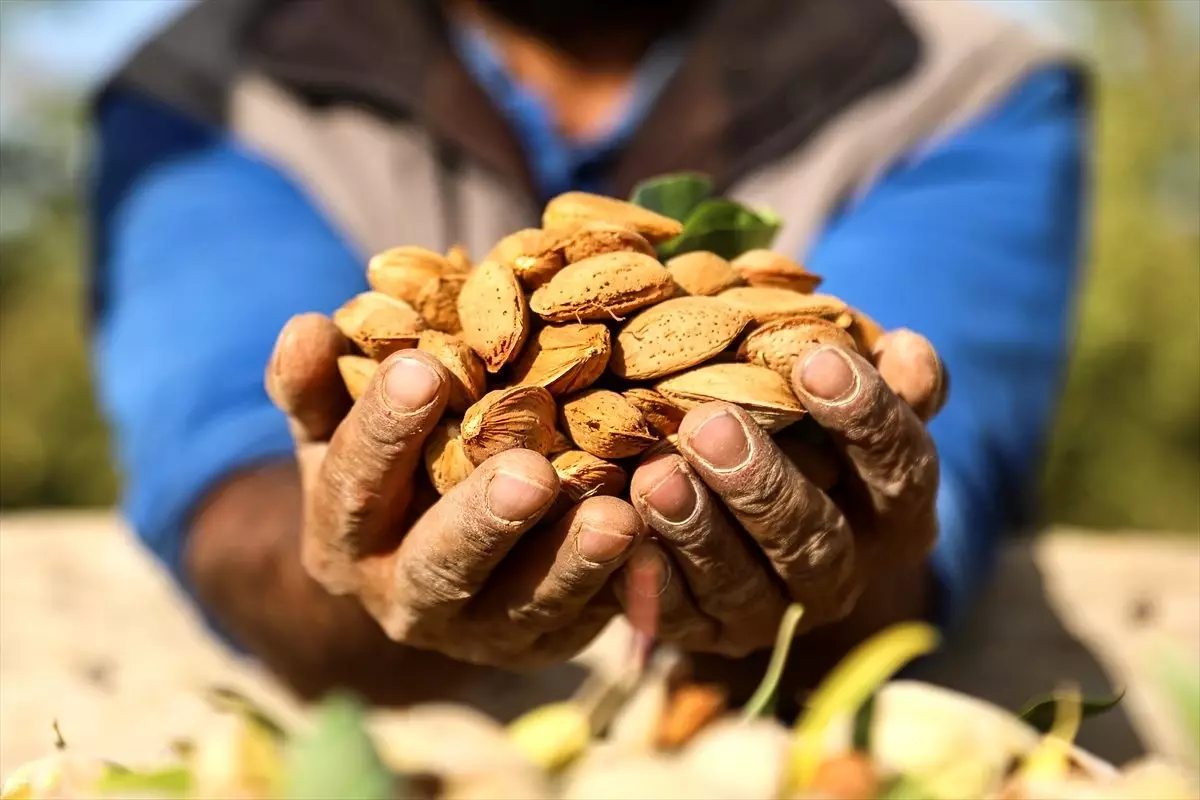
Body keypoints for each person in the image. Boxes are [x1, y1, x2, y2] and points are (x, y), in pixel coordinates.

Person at [87, 0, 1087, 718]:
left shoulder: (960, 85)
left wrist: (844, 566)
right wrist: (352, 559)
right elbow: (224, 478)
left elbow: (925, 483)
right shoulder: (208, 95)